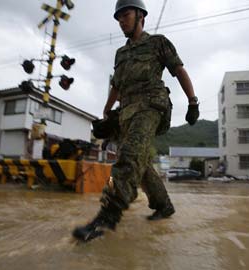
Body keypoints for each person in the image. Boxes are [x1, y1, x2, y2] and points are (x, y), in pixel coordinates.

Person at [72, 0, 199, 242]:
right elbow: (116, 86)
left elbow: (179, 70)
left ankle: (107, 216)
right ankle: (164, 205)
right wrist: (107, 112)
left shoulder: (158, 42)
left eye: (126, 14)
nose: (121, 20)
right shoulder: (121, 53)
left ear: (140, 15)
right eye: (118, 17)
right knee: (140, 164)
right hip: (126, 112)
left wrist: (193, 102)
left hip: (152, 106)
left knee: (127, 157)